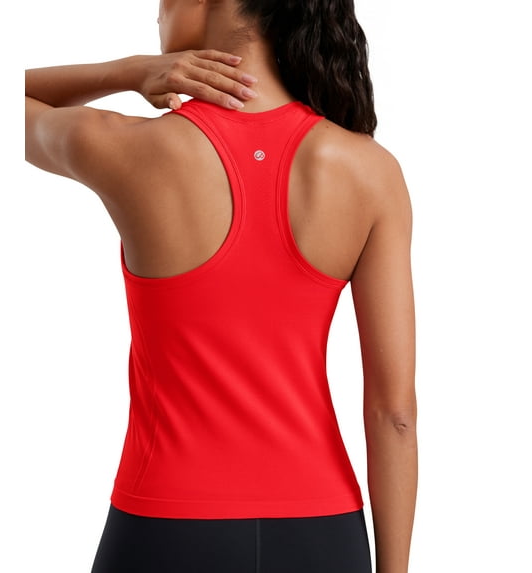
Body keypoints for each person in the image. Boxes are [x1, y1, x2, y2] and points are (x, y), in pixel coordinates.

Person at [25, 0, 417, 571]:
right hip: (320, 531)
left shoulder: (128, 146)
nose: (156, 14)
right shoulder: (370, 170)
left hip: (165, 528)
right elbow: (394, 414)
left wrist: (128, 72)